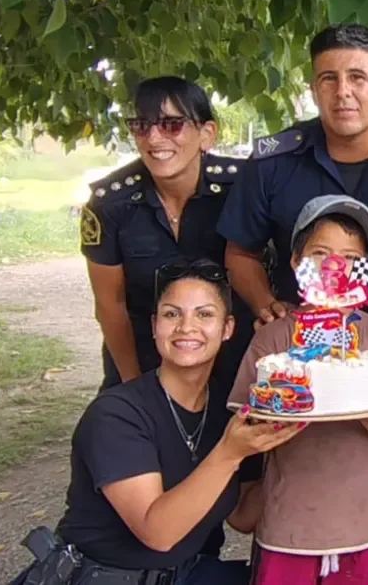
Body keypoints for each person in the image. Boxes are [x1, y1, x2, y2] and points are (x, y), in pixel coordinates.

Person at [217, 24, 368, 585]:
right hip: (299, 357)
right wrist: (267, 305)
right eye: (329, 78)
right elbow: (239, 253)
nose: (344, 91)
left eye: (358, 77)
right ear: (314, 88)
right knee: (292, 505)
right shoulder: (274, 163)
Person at [27, 258, 301, 584]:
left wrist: (293, 458)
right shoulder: (116, 414)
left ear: (227, 328)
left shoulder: (226, 411)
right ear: (156, 325)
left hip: (185, 572)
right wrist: (230, 453)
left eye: (204, 314)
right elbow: (157, 533)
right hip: (105, 576)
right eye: (173, 314)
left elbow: (242, 516)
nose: (187, 327)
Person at [227, 195, 368, 585]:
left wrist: (348, 372)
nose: (333, 266)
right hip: (290, 518)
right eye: (319, 253)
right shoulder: (273, 340)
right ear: (295, 262)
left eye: (349, 258)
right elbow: (249, 421)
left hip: (364, 516)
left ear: (366, 269)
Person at [81, 76, 256, 392]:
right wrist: (135, 387)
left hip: (235, 360)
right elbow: (110, 304)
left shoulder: (243, 188)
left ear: (207, 134)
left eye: (172, 125)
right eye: (142, 126)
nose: (154, 138)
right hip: (143, 357)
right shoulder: (111, 203)